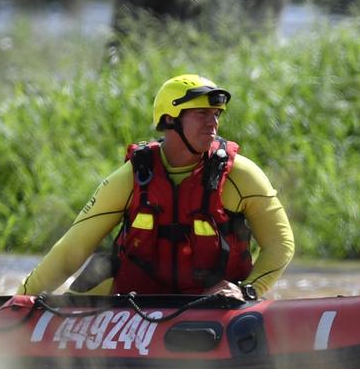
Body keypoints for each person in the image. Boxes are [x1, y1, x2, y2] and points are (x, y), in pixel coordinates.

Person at [16, 74, 295, 301]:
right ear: (170, 119)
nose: (213, 122)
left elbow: (280, 245)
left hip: (214, 307)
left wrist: (248, 290)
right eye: (202, 113)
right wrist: (21, 301)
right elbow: (71, 249)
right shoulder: (130, 178)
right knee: (96, 273)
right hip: (136, 305)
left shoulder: (242, 175)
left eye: (216, 114)